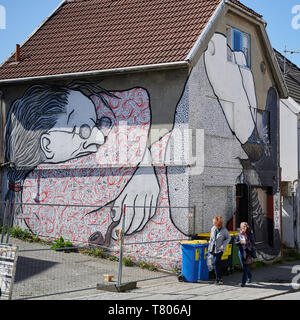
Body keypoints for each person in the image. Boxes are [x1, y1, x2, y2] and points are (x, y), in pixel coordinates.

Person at [208, 216, 231, 285]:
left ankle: (218, 279)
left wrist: (223, 245)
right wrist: (209, 246)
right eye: (213, 222)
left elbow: (228, 238)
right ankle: (219, 277)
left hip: (219, 250)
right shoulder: (213, 228)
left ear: (218, 223)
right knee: (213, 263)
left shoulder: (224, 230)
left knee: (216, 263)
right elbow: (211, 238)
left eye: (214, 222)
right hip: (212, 249)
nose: (213, 223)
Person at [235, 222, 255, 287]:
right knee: (244, 267)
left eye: (245, 226)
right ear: (241, 227)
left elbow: (253, 243)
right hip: (241, 252)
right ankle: (250, 276)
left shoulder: (250, 234)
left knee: (245, 268)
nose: (244, 227)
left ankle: (243, 282)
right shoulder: (239, 234)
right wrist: (240, 242)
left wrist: (247, 242)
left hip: (248, 253)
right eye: (243, 226)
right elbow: (236, 243)